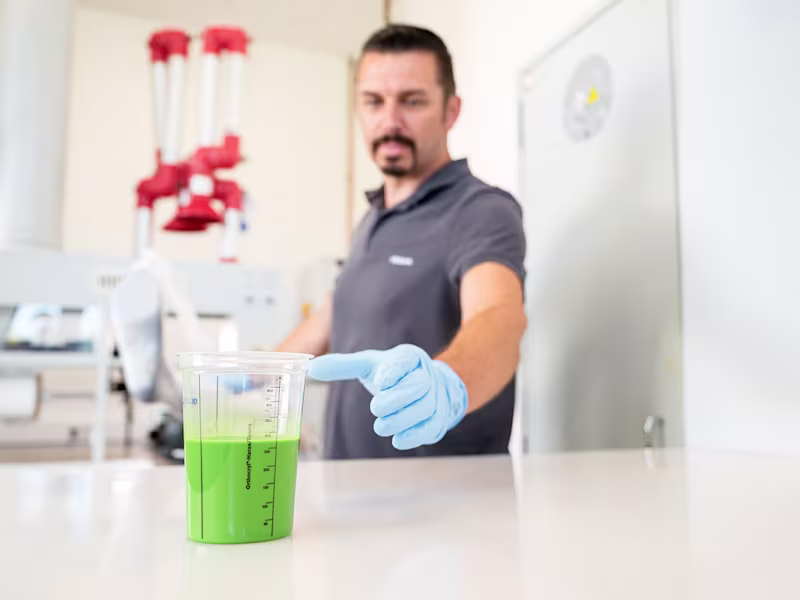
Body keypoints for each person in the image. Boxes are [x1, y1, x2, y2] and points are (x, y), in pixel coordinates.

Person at [279, 24, 527, 459]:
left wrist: (448, 382)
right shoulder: (372, 220)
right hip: (352, 483)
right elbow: (331, 319)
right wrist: (244, 379)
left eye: (412, 101)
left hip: (447, 492)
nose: (390, 121)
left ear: (451, 111)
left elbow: (499, 317)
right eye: (374, 102)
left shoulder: (480, 210)